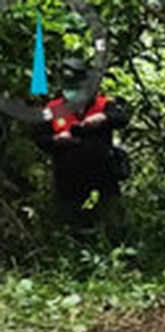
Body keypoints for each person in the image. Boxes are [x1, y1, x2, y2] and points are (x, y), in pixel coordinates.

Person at [32, 57, 129, 239]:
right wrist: (57, 139)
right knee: (70, 224)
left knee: (114, 222)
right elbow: (39, 138)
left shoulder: (102, 104)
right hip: (69, 176)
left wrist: (103, 119)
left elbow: (122, 117)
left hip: (103, 172)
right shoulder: (53, 108)